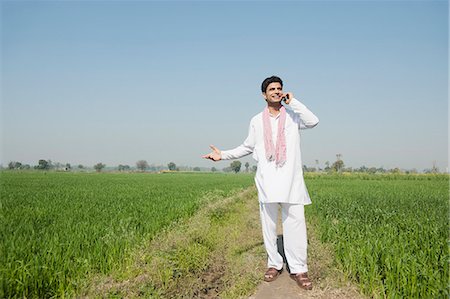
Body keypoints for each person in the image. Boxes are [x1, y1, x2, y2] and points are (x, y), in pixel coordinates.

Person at [202, 75, 319, 290]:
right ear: (264, 95)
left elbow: (313, 121)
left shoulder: (293, 116)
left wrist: (293, 101)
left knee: (295, 225)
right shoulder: (256, 121)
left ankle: (299, 268)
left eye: (279, 88)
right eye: (272, 89)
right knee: (269, 225)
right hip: (268, 181)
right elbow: (247, 146)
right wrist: (223, 155)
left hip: (292, 181)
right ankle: (274, 264)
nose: (276, 91)